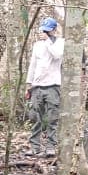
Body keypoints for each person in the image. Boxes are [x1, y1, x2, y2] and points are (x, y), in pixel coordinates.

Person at [25, 16, 65, 156]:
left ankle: (50, 147)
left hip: (53, 85)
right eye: (43, 31)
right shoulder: (37, 45)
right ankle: (34, 147)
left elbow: (57, 55)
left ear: (54, 30)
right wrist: (29, 84)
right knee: (35, 117)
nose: (45, 33)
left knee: (52, 118)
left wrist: (48, 41)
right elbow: (33, 65)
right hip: (37, 86)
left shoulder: (60, 43)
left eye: (48, 31)